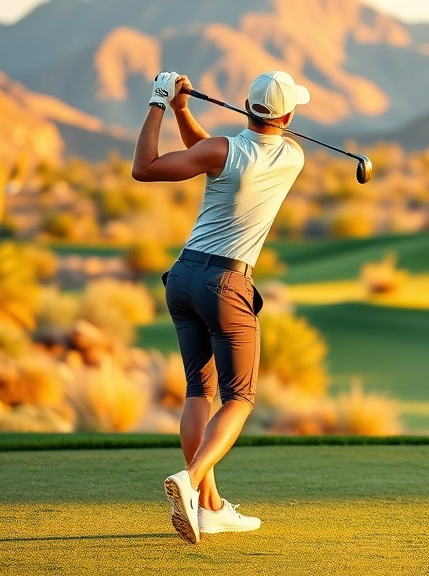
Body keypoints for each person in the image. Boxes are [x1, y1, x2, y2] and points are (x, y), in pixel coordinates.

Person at [132, 70, 310, 544]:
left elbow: (148, 167)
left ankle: (210, 507)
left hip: (184, 276)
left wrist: (161, 102)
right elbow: (208, 155)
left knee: (198, 392)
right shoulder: (294, 155)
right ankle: (191, 482)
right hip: (228, 284)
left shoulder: (221, 151)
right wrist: (180, 111)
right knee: (239, 399)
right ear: (289, 116)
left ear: (247, 106)